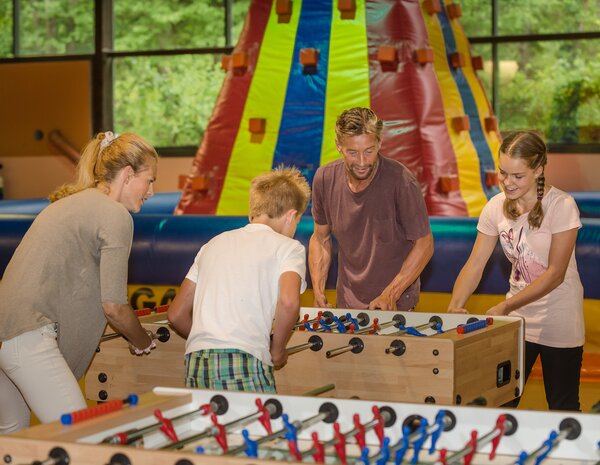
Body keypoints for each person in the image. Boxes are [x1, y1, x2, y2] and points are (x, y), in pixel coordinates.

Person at [0, 132, 158, 433]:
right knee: (85, 435)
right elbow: (114, 306)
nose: (152, 190)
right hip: (29, 337)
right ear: (127, 175)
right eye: (149, 180)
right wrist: (143, 341)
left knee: (12, 434)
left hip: (9, 335)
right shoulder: (115, 215)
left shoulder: (74, 203)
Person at [448, 130, 584, 411]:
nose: (507, 183)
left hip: (558, 317)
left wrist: (505, 306)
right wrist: (454, 306)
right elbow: (475, 263)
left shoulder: (561, 205)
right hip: (517, 319)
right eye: (502, 173)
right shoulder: (495, 207)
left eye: (517, 176)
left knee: (562, 405)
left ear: (538, 170)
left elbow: (555, 274)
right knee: (501, 401)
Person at [167, 166, 311, 393]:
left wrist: (211, 337)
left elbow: (175, 314)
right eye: (297, 222)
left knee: (210, 428)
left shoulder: (213, 243)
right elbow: (289, 302)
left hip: (196, 362)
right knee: (260, 428)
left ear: (252, 213)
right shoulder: (289, 247)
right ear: (291, 215)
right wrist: (277, 349)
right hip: (244, 360)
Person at [309, 107, 434, 311]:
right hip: (347, 304)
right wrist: (318, 291)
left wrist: (390, 294)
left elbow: (424, 244)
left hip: (395, 305)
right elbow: (320, 238)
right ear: (338, 146)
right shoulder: (324, 179)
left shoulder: (402, 181)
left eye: (369, 151)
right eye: (352, 152)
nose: (361, 162)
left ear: (379, 143)